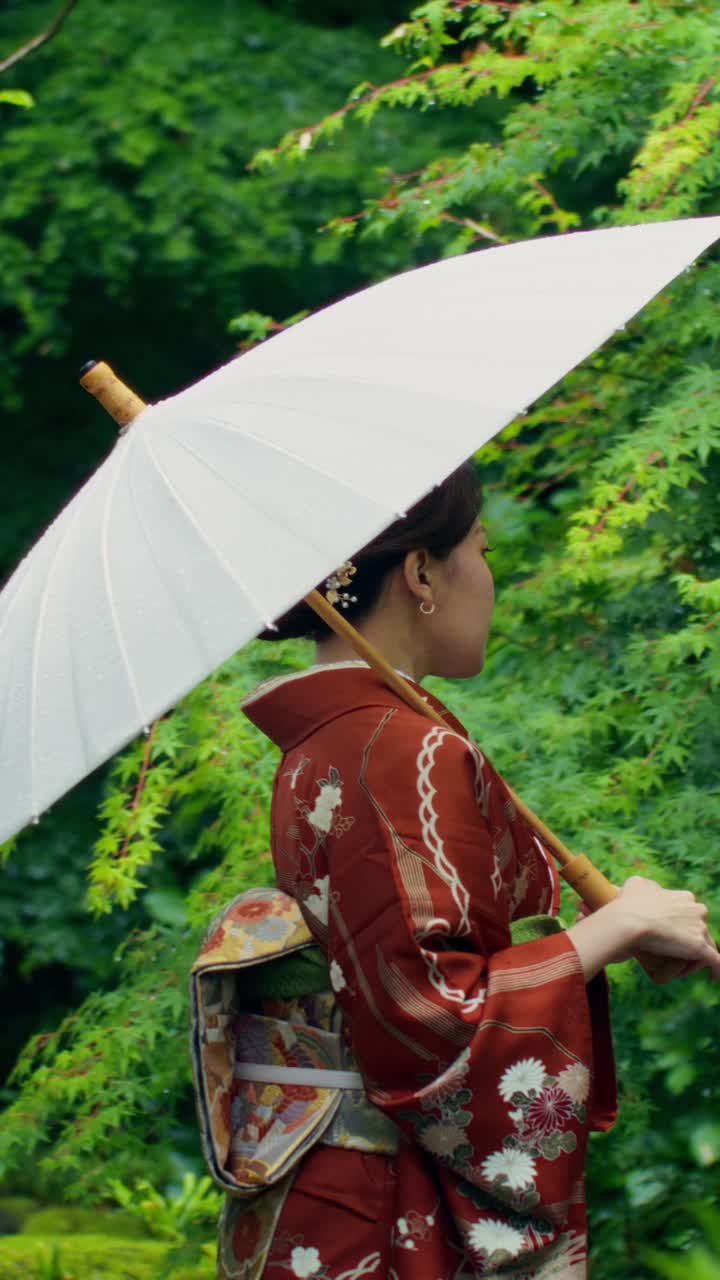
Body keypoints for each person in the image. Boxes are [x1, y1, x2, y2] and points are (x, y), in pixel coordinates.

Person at [204, 462, 719, 1280]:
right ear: (420, 575)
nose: (491, 578)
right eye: (481, 550)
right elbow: (431, 1012)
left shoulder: (331, 743)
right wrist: (613, 930)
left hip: (326, 1193)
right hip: (381, 1208)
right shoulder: (404, 744)